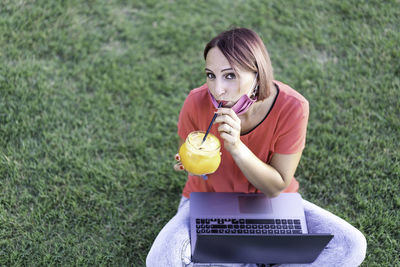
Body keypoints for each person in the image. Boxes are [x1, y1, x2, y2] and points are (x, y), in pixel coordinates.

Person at [146, 28, 367, 267]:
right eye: (211, 75)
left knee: (350, 243)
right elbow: (189, 161)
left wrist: (237, 147)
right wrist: (190, 165)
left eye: (230, 76)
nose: (217, 89)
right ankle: (260, 258)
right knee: (161, 260)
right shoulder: (195, 102)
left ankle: (245, 257)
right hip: (209, 202)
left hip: (270, 205)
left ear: (257, 73)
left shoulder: (292, 107)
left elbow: (275, 187)